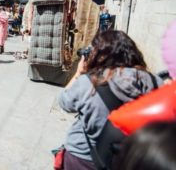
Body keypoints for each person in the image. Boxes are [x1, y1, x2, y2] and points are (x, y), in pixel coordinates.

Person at [58, 30, 163, 170]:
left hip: (83, 158)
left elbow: (64, 101)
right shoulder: (156, 82)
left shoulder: (88, 83)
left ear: (98, 55)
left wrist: (78, 73)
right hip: (130, 161)